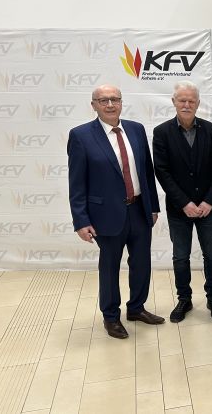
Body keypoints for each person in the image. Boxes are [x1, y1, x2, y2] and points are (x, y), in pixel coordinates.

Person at [68, 84, 163, 339]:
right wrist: (81, 220)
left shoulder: (136, 129)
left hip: (139, 210)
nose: (110, 104)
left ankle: (136, 308)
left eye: (114, 99)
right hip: (106, 215)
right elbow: (76, 183)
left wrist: (153, 206)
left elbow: (147, 171)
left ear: (121, 102)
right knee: (109, 267)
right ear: (94, 105)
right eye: (103, 100)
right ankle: (111, 317)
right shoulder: (80, 136)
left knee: (141, 263)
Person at [153, 80, 212, 322]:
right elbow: (162, 171)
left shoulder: (211, 130)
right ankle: (184, 299)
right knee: (181, 257)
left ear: (198, 103)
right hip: (178, 209)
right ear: (174, 102)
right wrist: (184, 203)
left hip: (207, 209)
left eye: (191, 101)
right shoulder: (162, 133)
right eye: (182, 100)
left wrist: (209, 201)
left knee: (211, 255)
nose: (186, 104)